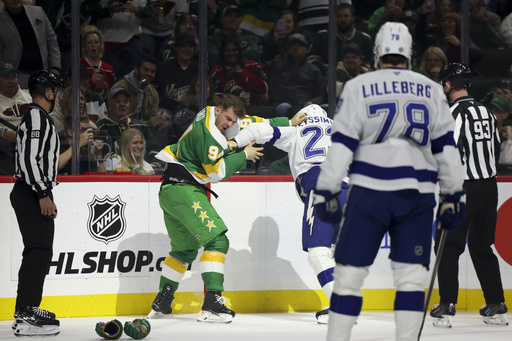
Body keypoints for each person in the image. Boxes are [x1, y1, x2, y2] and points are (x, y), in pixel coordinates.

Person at [312, 22, 465, 340]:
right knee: (411, 280)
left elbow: (341, 145)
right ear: (410, 53)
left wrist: (326, 189)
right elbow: (447, 149)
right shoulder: (433, 90)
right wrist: (453, 194)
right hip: (417, 195)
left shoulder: (357, 86)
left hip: (369, 192)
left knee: (348, 277)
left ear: (376, 52)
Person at [228, 104, 348, 324]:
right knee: (332, 250)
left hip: (321, 186)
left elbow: (255, 130)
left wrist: (235, 142)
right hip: (350, 190)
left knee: (318, 252)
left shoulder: (297, 129)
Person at [147, 94, 264, 323]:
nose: (229, 125)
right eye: (228, 118)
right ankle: (212, 302)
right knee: (218, 241)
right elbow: (216, 172)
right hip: (184, 190)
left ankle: (164, 297)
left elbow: (253, 123)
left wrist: (287, 123)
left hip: (170, 191)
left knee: (184, 250)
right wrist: (243, 155)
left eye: (233, 122)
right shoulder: (209, 132)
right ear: (219, 109)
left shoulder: (208, 115)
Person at [430, 62, 508, 328]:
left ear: (448, 85)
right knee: (481, 245)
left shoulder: (451, 114)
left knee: (448, 247)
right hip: (489, 187)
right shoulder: (487, 112)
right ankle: (496, 303)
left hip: (461, 188)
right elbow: (496, 146)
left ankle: (446, 305)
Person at [10, 70, 63, 337]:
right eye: (56, 91)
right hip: (32, 191)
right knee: (38, 251)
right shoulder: (35, 116)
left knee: (38, 251)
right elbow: (31, 160)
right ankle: (26, 313)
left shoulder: (36, 118)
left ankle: (26, 310)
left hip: (32, 190)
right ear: (49, 93)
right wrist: (43, 193)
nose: (58, 97)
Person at [0, 0, 61, 87]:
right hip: (16, 76)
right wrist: (6, 77)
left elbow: (52, 40)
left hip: (43, 73)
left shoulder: (38, 12)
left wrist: (55, 67)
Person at [263, 33, 326, 117]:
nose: (296, 48)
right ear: (288, 49)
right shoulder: (276, 64)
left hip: (306, 107)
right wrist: (264, 87)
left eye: (300, 45)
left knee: (326, 107)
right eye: (292, 45)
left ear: (306, 50)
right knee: (284, 106)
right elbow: (258, 70)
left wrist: (313, 102)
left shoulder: (313, 70)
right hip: (282, 106)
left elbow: (321, 94)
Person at [96, 87, 162, 166]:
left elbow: (155, 148)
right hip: (118, 171)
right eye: (118, 101)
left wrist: (155, 163)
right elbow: (104, 155)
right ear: (109, 106)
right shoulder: (102, 126)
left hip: (146, 171)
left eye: (126, 101)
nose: (122, 104)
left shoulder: (141, 125)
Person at [90, 0, 153, 79]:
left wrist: (138, 10)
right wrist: (109, 10)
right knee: (105, 77)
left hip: (131, 39)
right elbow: (92, 11)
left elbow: (150, 11)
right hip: (106, 41)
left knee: (137, 76)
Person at [307, 3, 374, 76]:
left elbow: (371, 65)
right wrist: (331, 72)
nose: (342, 19)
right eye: (339, 16)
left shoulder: (365, 39)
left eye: (346, 16)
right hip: (328, 81)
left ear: (353, 18)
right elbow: (311, 61)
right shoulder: (322, 37)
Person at [110, 52, 164, 132]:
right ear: (136, 69)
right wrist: (147, 123)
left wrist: (156, 120)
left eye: (152, 71)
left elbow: (151, 119)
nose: (149, 74)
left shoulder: (153, 93)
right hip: (120, 131)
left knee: (163, 126)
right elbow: (117, 120)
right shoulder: (120, 88)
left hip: (144, 133)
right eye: (146, 70)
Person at [209, 35, 268, 107]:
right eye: (227, 51)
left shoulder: (252, 65)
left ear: (239, 51)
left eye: (234, 50)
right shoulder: (217, 71)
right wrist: (234, 100)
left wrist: (244, 76)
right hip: (227, 112)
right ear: (222, 52)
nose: (231, 53)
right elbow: (214, 96)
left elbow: (264, 88)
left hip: (252, 111)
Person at [155, 33, 199, 118]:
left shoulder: (198, 69)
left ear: (194, 49)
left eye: (190, 46)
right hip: (166, 110)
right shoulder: (163, 67)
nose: (187, 49)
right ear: (176, 48)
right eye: (183, 46)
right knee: (161, 123)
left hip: (191, 111)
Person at [0, 61, 31, 175]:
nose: (11, 81)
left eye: (13, 77)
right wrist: (4, 132)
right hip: (7, 149)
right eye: (6, 78)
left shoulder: (30, 96)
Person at [206, 4, 259, 70]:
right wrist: (243, 53)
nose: (233, 19)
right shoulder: (213, 40)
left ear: (240, 21)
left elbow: (255, 54)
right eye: (229, 16)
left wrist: (225, 55)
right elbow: (215, 60)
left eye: (236, 17)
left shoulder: (248, 39)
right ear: (222, 19)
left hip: (245, 76)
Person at [79, 25, 117, 101]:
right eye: (89, 42)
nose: (93, 45)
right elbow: (69, 89)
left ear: (100, 45)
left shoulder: (109, 69)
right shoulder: (78, 65)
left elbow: (114, 93)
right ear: (85, 46)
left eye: (96, 42)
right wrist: (91, 82)